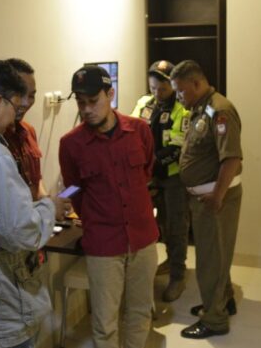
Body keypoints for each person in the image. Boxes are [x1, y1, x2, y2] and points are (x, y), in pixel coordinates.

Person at [58, 65, 159, 348]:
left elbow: (147, 172)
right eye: (81, 102)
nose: (87, 109)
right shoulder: (71, 144)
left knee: (140, 312)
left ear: (110, 94)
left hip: (142, 238)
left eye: (93, 101)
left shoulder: (139, 130)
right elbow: (73, 188)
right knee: (104, 323)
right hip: (103, 244)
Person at [0, 60, 68, 348]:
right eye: (15, 105)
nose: (17, 114)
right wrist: (50, 208)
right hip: (5, 300)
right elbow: (21, 231)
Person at [170, 60, 243, 339]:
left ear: (197, 83)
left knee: (211, 260)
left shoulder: (220, 110)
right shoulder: (202, 108)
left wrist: (217, 196)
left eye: (181, 90)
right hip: (207, 196)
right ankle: (224, 301)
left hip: (215, 198)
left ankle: (214, 320)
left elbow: (231, 158)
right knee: (217, 254)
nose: (178, 96)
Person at [131, 60, 191, 302]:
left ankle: (178, 275)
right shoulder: (144, 103)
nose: (157, 93)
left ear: (172, 86)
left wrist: (149, 164)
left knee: (176, 226)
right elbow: (131, 131)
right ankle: (167, 261)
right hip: (146, 176)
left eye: (162, 89)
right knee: (155, 225)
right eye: (153, 88)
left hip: (173, 177)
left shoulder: (182, 109)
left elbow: (178, 146)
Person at [3, 58, 48, 201]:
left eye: (31, 96)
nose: (26, 103)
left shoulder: (29, 131)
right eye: (20, 94)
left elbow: (36, 180)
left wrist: (48, 201)